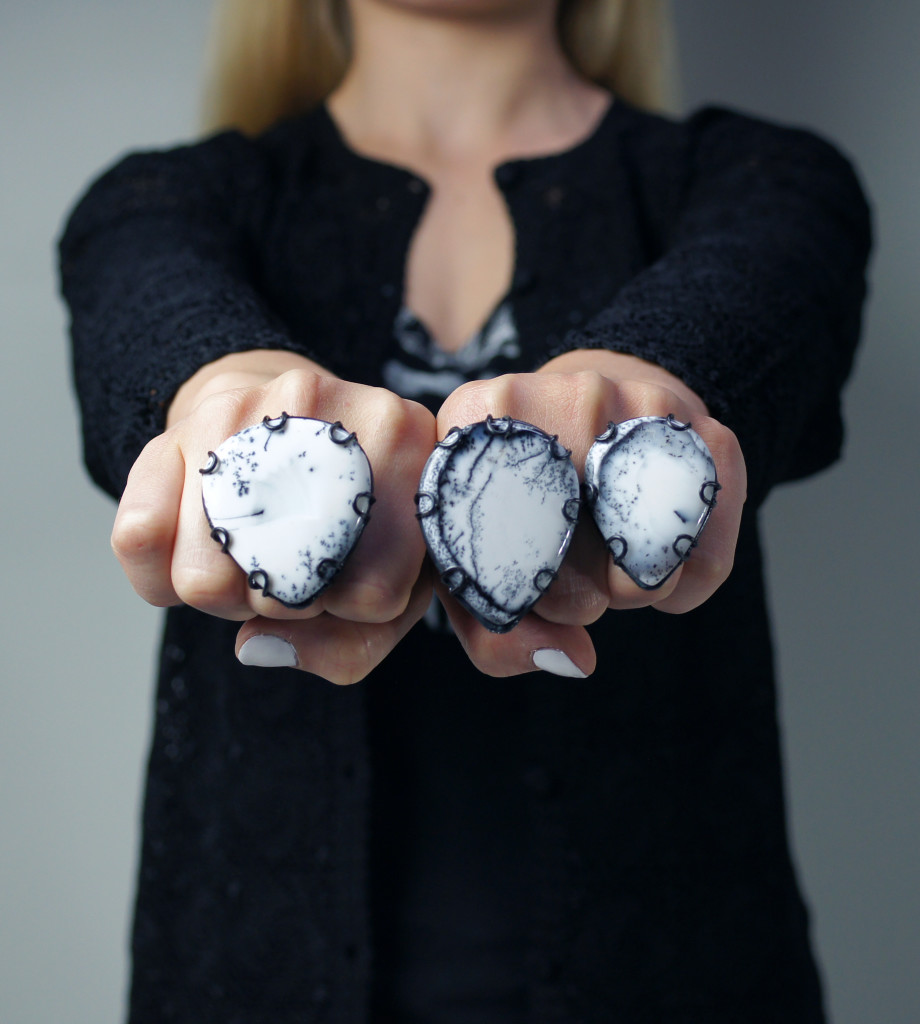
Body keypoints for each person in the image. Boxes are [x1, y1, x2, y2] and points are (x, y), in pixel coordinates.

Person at [59, 0, 871, 1020]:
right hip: (241, 977)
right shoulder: (159, 202)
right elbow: (152, 311)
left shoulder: (764, 181)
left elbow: (754, 300)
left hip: (682, 976)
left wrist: (634, 388)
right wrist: (226, 392)